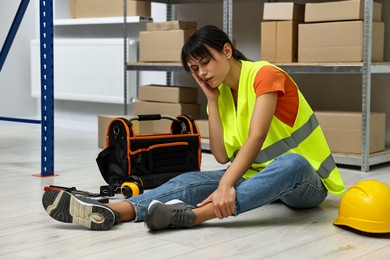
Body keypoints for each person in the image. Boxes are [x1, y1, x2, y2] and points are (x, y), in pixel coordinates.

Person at [42, 25, 345, 231]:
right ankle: (117, 212)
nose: (202, 73)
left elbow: (256, 137)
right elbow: (224, 156)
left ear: (227, 50)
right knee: (191, 179)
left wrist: (226, 185)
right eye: (195, 69)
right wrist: (211, 102)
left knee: (291, 163)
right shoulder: (223, 92)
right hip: (260, 176)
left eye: (206, 62)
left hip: (309, 183)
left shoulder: (265, 76)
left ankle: (194, 217)